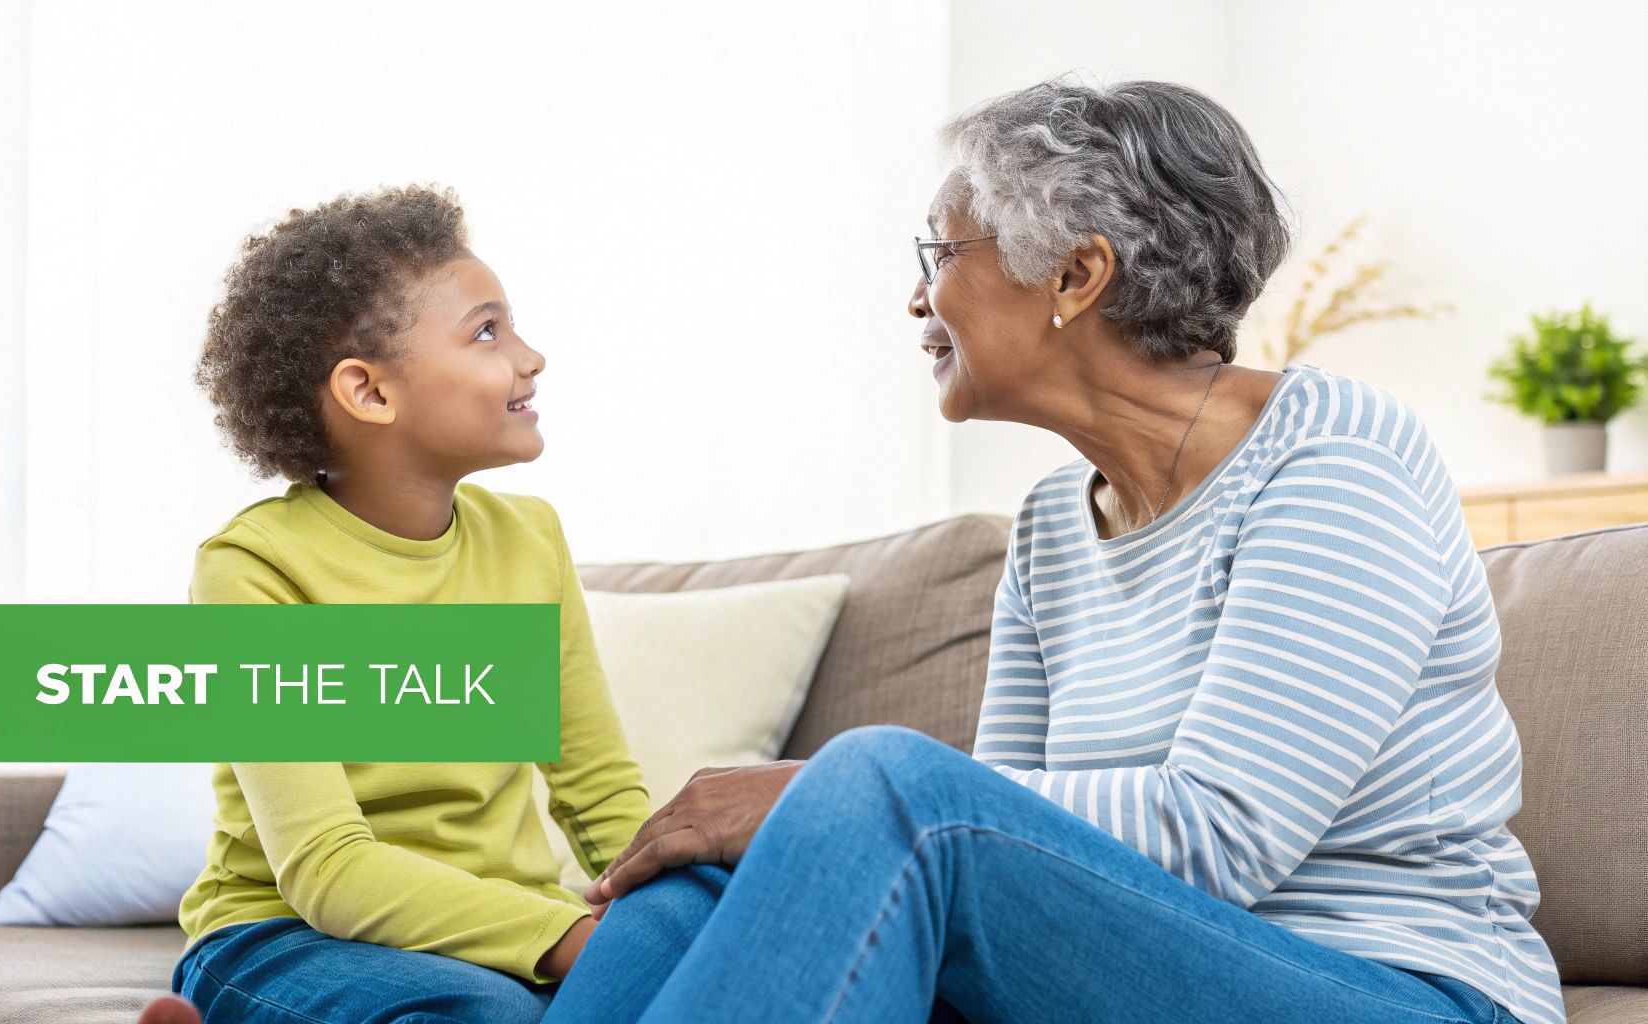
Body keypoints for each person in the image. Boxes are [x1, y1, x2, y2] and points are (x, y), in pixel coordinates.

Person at [540, 77, 1564, 1024]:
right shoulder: (1048, 526)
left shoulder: (1335, 455)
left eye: (937, 257)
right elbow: (1015, 841)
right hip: (1135, 969)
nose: (912, 302)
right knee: (697, 868)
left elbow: (1216, 831)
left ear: (1074, 273)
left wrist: (816, 791)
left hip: (1400, 987)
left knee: (878, 784)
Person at [167, 184, 648, 1023]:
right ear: (371, 392)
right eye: (488, 331)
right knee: (490, 1018)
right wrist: (571, 939)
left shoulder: (529, 541)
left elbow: (602, 797)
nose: (531, 357)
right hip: (285, 937)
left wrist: (654, 922)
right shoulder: (252, 572)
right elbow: (326, 867)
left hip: (508, 928)